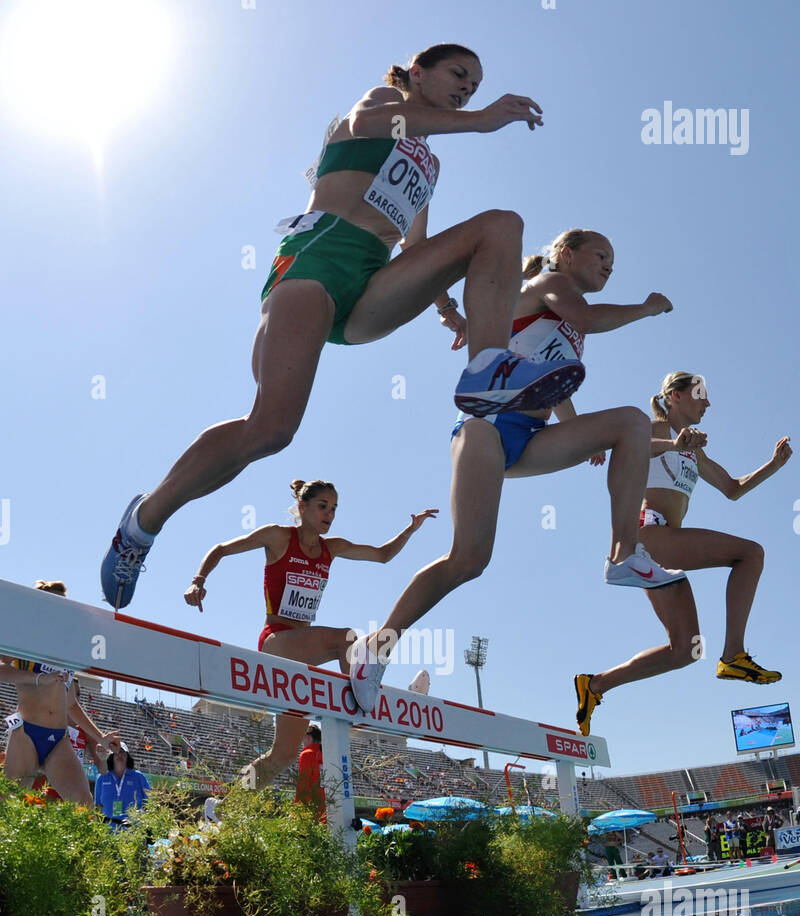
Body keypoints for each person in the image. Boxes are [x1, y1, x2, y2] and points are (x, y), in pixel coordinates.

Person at [101, 44, 585, 610]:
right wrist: (478, 122)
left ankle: (486, 369)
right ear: (418, 70)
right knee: (272, 429)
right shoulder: (384, 100)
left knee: (502, 226)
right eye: (459, 76)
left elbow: (418, 247)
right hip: (319, 259)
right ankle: (142, 523)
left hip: (372, 286)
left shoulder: (429, 158)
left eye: (474, 89)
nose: (466, 91)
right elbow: (368, 123)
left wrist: (447, 307)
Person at [349, 227, 684, 711]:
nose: (610, 265)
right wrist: (647, 307)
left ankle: (623, 556)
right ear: (565, 254)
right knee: (467, 560)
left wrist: (580, 433)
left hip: (530, 436)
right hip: (485, 428)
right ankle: (376, 646)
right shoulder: (551, 284)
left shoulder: (555, 320)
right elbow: (589, 319)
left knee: (632, 423)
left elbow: (555, 383)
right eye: (601, 255)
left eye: (614, 260)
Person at [574, 371, 791, 733]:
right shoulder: (653, 432)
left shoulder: (691, 447)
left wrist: (774, 465)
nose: (707, 402)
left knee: (685, 651)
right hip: (648, 535)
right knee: (750, 554)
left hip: (656, 552)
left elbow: (732, 488)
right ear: (675, 396)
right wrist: (675, 446)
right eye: (700, 394)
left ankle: (594, 685)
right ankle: (734, 655)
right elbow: (628, 452)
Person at [184, 479, 435, 786]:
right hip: (277, 641)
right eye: (322, 506)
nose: (329, 514)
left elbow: (383, 555)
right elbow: (221, 548)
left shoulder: (333, 547)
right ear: (302, 508)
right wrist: (198, 580)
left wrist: (410, 530)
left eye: (333, 509)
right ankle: (359, 711)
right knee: (345, 639)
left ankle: (228, 802)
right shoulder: (277, 537)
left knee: (284, 754)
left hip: (304, 651)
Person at [0, 582, 121, 805]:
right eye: (54, 603)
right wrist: (37, 678)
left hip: (58, 739)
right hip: (27, 732)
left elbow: (71, 704)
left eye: (63, 605)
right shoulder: (23, 637)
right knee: (8, 806)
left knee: (84, 804)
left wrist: (100, 736)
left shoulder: (67, 648)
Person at [94, 744, 151, 828]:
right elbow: (98, 805)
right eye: (116, 752)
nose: (119, 755)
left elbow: (149, 803)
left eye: (122, 752)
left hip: (133, 830)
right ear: (111, 756)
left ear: (127, 756)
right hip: (107, 829)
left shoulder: (138, 777)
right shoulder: (102, 778)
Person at [294, 724, 326, 821]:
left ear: (308, 737)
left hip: (310, 811)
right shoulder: (328, 754)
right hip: (326, 811)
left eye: (303, 738)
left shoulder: (307, 754)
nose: (302, 742)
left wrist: (298, 810)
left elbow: (303, 784)